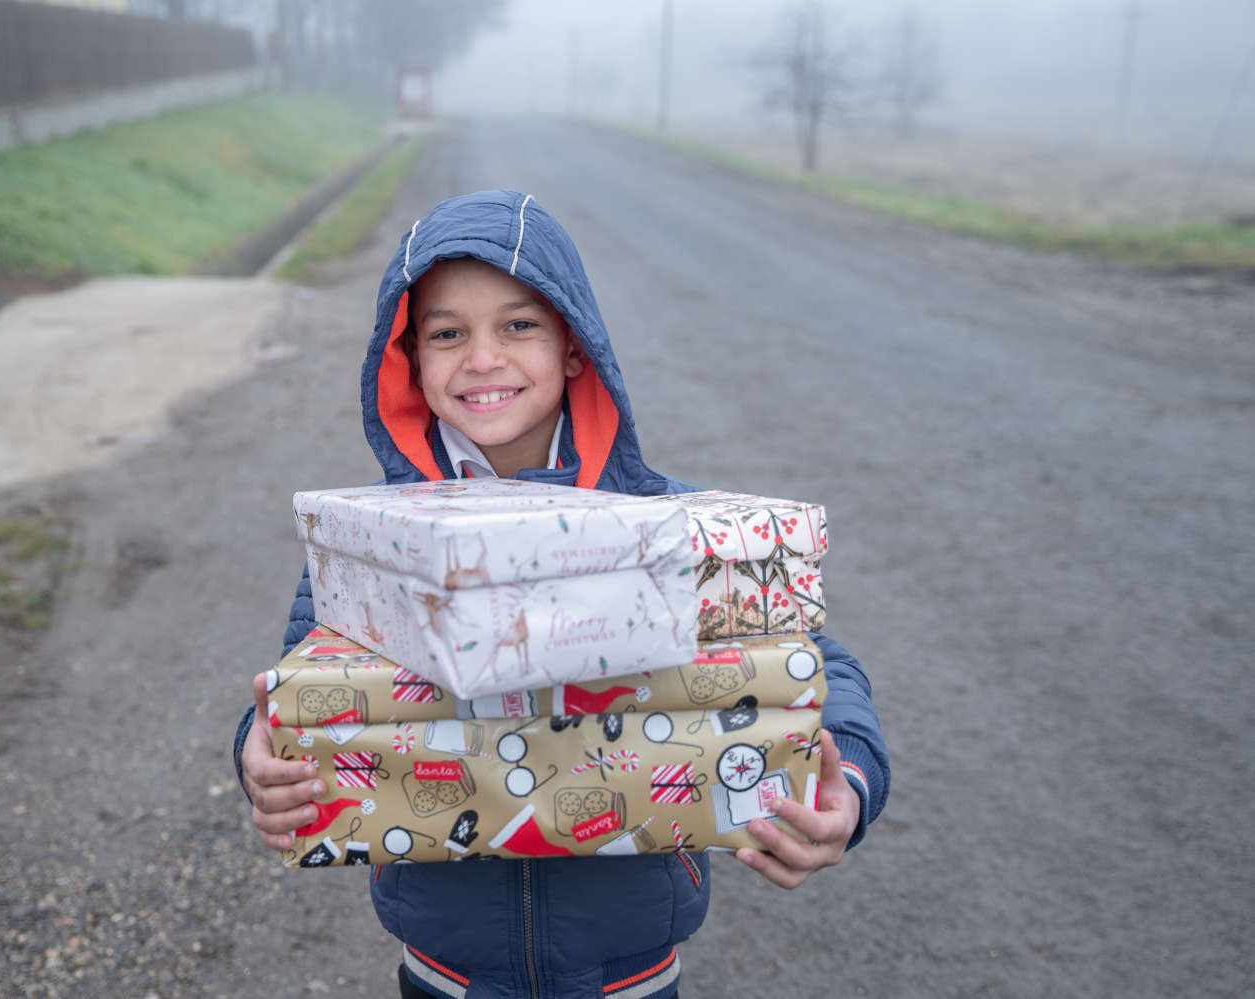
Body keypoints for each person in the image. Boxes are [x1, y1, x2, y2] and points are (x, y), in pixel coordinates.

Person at [234, 190, 890, 999]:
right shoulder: (373, 544)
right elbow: (297, 685)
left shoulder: (667, 527)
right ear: (407, 359)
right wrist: (261, 756)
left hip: (630, 970)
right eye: (447, 332)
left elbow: (817, 665)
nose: (482, 358)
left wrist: (848, 786)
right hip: (446, 967)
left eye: (518, 325)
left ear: (574, 346)